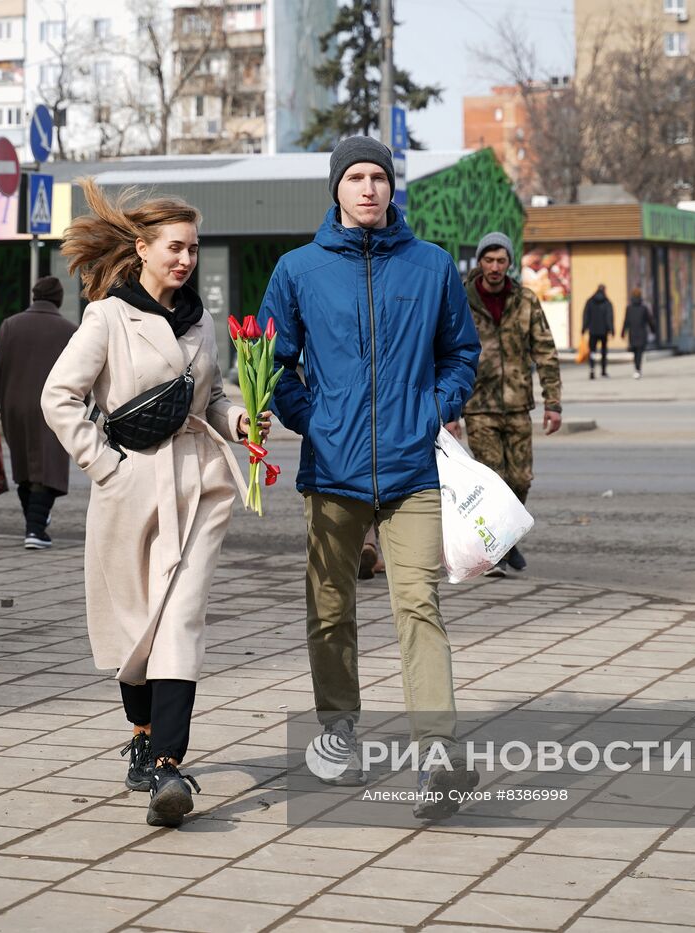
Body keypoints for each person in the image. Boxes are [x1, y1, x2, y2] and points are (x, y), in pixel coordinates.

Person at [260, 136, 481, 821]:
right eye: (354, 177)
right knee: (329, 608)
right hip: (331, 470)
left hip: (413, 470)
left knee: (418, 602)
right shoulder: (298, 270)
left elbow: (461, 353)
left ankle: (438, 753)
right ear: (335, 188)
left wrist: (434, 409)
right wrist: (313, 419)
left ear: (392, 188)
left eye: (378, 177)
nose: (367, 188)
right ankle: (338, 727)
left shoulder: (432, 267)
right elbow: (272, 361)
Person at [42, 179, 268, 828]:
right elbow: (59, 397)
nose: (186, 259)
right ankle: (141, 730)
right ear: (141, 248)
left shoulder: (201, 322)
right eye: (175, 247)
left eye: (194, 248)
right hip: (130, 488)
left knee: (181, 620)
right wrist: (103, 466)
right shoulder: (108, 317)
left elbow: (214, 397)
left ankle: (169, 765)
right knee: (133, 633)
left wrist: (240, 422)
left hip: (201, 488)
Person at [460, 231, 561, 579]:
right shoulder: (460, 299)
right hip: (478, 404)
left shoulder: (525, 300)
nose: (495, 267)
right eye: (488, 260)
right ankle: (495, 551)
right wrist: (449, 411)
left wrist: (554, 402)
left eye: (501, 261)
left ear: (509, 264)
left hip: (518, 403)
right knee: (494, 481)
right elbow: (442, 352)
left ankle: (506, 539)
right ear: (479, 262)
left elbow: (545, 351)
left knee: (521, 478)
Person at [0, 276, 77, 549]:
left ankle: (34, 527)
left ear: (34, 296)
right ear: (58, 299)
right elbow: (82, 374)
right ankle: (35, 529)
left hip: (14, 408)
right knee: (47, 468)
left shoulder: (11, 325)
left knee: (25, 467)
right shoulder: (69, 330)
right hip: (54, 409)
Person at [623, 287, 657, 379]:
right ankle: (638, 369)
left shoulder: (629, 308)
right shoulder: (644, 308)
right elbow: (650, 320)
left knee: (635, 353)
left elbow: (626, 321)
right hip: (642, 333)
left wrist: (623, 332)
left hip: (633, 334)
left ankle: (637, 369)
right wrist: (653, 330)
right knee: (639, 353)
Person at [582, 284, 614, 379]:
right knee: (603, 352)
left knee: (592, 351)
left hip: (593, 331)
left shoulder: (590, 301)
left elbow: (586, 316)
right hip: (603, 332)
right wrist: (611, 329)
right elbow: (609, 317)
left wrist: (584, 328)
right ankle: (603, 371)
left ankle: (592, 369)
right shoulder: (607, 302)